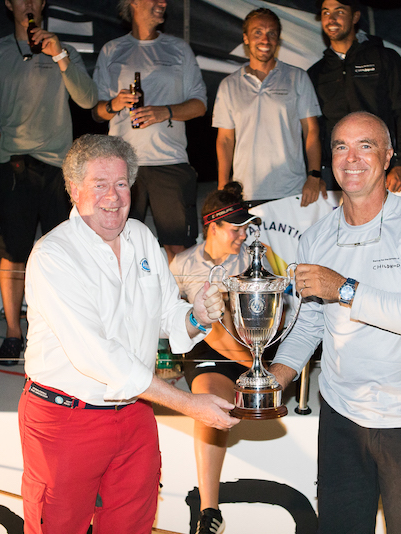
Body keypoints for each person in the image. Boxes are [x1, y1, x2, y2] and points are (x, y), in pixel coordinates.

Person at [19, 134, 239, 534]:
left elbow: (167, 314)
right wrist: (188, 404)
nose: (114, 196)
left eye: (121, 183)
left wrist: (197, 316)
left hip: (135, 412)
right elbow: (98, 357)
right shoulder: (53, 255)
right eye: (99, 184)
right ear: (73, 189)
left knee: (132, 527)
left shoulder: (140, 236)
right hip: (67, 419)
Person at [269, 111, 401, 533]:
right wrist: (270, 383)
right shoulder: (314, 239)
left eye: (365, 146)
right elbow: (308, 327)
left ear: (388, 155)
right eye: (340, 146)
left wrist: (345, 288)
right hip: (341, 421)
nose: (351, 158)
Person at [0, 0, 98, 365]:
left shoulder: (61, 49)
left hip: (59, 168)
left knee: (64, 255)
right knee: (13, 255)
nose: (30, 5)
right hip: (14, 167)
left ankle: (61, 330)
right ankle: (12, 333)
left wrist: (61, 56)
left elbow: (88, 99)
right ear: (9, 4)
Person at [170, 182, 261, 534]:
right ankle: (210, 511)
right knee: (213, 405)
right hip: (206, 347)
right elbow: (163, 318)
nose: (242, 235)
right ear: (212, 225)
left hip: (249, 341)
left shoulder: (255, 257)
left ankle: (258, 370)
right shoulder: (182, 262)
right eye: (235, 229)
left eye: (245, 228)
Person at [93, 0, 207, 262]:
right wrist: (115, 103)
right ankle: (124, 304)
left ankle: (180, 303)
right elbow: (96, 111)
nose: (163, 3)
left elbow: (200, 105)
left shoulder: (179, 49)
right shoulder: (113, 50)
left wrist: (164, 111)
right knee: (117, 245)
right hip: (122, 165)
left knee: (179, 249)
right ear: (133, 3)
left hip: (169, 161)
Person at [213, 8, 323, 206]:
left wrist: (314, 176)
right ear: (245, 38)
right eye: (258, 33)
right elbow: (225, 139)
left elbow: (312, 130)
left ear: (278, 39)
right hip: (246, 192)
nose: (265, 40)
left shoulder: (297, 77)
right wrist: (223, 185)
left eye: (271, 33)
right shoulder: (229, 85)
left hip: (292, 191)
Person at [308, 0, 401, 193]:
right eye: (326, 12)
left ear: (355, 17)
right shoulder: (317, 72)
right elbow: (313, 130)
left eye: (339, 12)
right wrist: (316, 175)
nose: (331, 19)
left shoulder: (384, 58)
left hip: (382, 169)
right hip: (336, 175)